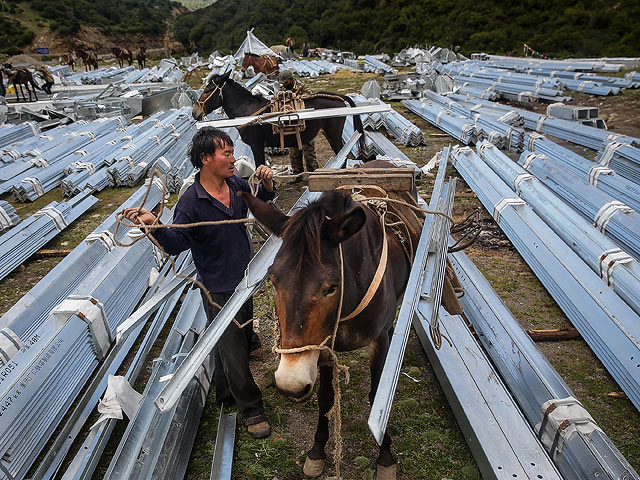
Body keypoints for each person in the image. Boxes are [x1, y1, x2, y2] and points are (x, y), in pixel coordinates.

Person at [122, 127, 275, 439]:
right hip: (217, 286)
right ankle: (252, 409)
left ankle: (224, 391)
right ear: (206, 159)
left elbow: (260, 207)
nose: (233, 159)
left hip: (245, 276)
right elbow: (177, 242)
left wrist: (268, 188)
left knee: (240, 339)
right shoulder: (192, 201)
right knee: (233, 348)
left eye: (232, 152)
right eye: (226, 153)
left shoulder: (237, 184)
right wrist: (155, 225)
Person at [278, 69, 318, 177]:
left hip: (304, 123)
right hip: (291, 123)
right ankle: (297, 174)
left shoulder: (302, 86)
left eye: (285, 82)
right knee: (293, 151)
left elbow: (310, 95)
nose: (284, 85)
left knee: (308, 149)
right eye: (282, 83)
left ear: (291, 80)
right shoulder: (282, 89)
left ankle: (313, 173)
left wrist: (296, 97)